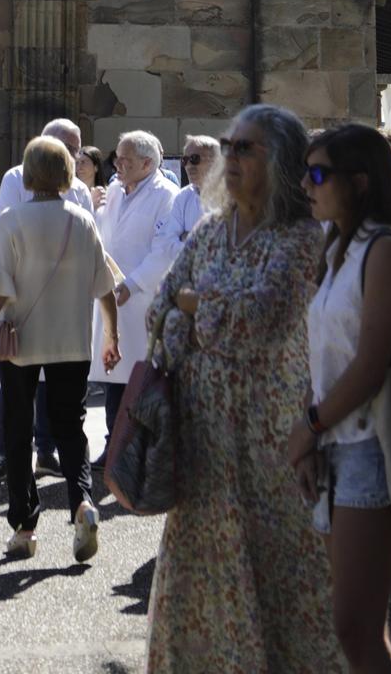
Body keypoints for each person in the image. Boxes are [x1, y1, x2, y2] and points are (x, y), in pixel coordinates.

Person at [144, 105, 345, 674]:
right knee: (201, 581)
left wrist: (198, 306)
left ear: (278, 160)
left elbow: (257, 322)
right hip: (202, 440)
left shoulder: (300, 238)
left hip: (270, 444)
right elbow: (160, 314)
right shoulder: (210, 230)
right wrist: (202, 309)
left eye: (245, 148)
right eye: (228, 146)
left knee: (283, 581)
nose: (229, 159)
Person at [285, 123, 391, 674]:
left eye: (318, 174)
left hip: (370, 443)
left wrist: (309, 427)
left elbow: (369, 367)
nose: (306, 186)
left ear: (360, 181)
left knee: (355, 629)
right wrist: (313, 434)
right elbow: (324, 354)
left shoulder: (385, 248)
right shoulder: (338, 244)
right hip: (335, 443)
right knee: (349, 628)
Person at [0, 135, 121, 562]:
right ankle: (82, 503)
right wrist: (113, 336)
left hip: (20, 340)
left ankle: (25, 526)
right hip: (72, 340)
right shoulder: (83, 218)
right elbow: (105, 287)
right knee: (71, 428)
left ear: (29, 174)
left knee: (17, 432)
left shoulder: (13, 219)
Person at [0, 118, 95, 488]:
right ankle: (80, 497)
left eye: (78, 149)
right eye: (69, 149)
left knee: (55, 408)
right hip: (43, 310)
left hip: (38, 308)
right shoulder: (13, 182)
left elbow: (2, 270)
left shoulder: (78, 193)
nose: (74, 156)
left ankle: (27, 512)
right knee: (38, 410)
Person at [91, 131, 176, 442]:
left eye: (125, 160)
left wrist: (133, 284)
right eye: (117, 158)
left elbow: (164, 251)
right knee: (114, 377)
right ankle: (114, 444)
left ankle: (136, 449)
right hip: (109, 296)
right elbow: (99, 237)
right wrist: (93, 207)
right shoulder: (112, 191)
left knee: (140, 378)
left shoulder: (166, 195)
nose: (117, 164)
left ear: (147, 163)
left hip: (140, 300)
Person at [155, 136, 219, 252]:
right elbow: (168, 244)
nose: (189, 166)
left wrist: (186, 237)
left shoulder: (234, 197)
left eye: (194, 159)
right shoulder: (183, 197)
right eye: (184, 160)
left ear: (215, 161)